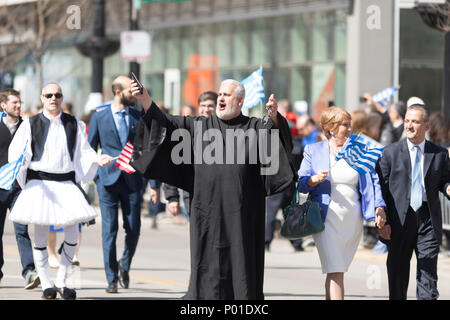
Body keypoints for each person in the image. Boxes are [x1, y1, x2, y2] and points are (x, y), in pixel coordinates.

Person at [130, 79, 295, 299]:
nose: (221, 98)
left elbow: (279, 143)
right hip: (207, 212)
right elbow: (166, 123)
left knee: (241, 264)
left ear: (240, 101)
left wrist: (274, 117)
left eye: (226, 95)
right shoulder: (198, 127)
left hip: (242, 214)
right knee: (207, 265)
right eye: (219, 94)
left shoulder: (254, 127)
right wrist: (145, 99)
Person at [7, 83, 112, 300]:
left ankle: (61, 280)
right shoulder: (30, 123)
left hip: (65, 184)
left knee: (73, 232)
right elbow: (16, 152)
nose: (53, 98)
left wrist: (96, 158)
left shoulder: (74, 124)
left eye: (57, 95)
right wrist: (22, 163)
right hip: (40, 184)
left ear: (62, 98)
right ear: (42, 98)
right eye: (49, 95)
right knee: (42, 235)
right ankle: (46, 283)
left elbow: (84, 151)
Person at [297, 106, 386, 300]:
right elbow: (301, 184)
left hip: (351, 220)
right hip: (325, 218)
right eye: (344, 125)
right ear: (331, 128)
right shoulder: (314, 150)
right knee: (336, 269)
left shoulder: (359, 150)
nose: (349, 129)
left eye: (349, 124)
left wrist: (379, 206)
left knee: (336, 270)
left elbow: (374, 180)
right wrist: (314, 180)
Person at [376, 103, 450, 300]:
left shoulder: (439, 154)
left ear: (426, 126)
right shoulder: (389, 153)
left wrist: (448, 187)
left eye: (415, 122)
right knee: (398, 278)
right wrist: (382, 216)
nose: (409, 125)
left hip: (427, 219)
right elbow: (380, 188)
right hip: (399, 219)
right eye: (407, 121)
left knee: (428, 278)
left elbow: (444, 180)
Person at [88, 75, 144, 294]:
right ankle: (111, 278)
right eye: (131, 91)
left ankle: (125, 264)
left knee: (134, 229)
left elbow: (146, 150)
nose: (135, 94)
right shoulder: (99, 116)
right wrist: (95, 163)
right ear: (118, 92)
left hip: (132, 179)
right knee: (109, 231)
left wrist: (154, 185)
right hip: (108, 181)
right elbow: (89, 148)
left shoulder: (137, 116)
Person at [0, 89, 40, 290]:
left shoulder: (28, 127)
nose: (18, 106)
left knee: (21, 231)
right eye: (13, 103)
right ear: (3, 105)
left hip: (19, 188)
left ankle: (29, 271)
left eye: (19, 102)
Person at [164, 91, 218, 219]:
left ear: (217, 107)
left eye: (210, 106)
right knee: (199, 235)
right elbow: (174, 164)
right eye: (203, 105)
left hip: (219, 195)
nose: (206, 109)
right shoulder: (188, 131)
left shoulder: (226, 130)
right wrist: (172, 197)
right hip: (193, 194)